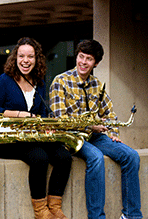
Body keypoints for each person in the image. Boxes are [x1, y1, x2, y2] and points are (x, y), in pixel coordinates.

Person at [49, 39, 142, 219]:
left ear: (96, 63)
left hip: (94, 136)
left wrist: (114, 134)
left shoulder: (97, 85)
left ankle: (131, 215)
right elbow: (60, 120)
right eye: (81, 56)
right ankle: (97, 217)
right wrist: (90, 125)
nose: (83, 62)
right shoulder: (60, 81)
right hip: (70, 138)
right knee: (96, 158)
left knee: (131, 156)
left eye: (89, 59)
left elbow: (109, 113)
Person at [0, 37, 72, 219]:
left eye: (30, 57)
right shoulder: (3, 81)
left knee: (64, 156)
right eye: (21, 56)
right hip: (8, 140)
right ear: (15, 58)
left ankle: (55, 206)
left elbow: (41, 114)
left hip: (32, 137)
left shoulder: (39, 83)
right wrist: (20, 114)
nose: (26, 61)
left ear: (37, 59)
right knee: (40, 158)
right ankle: (40, 210)